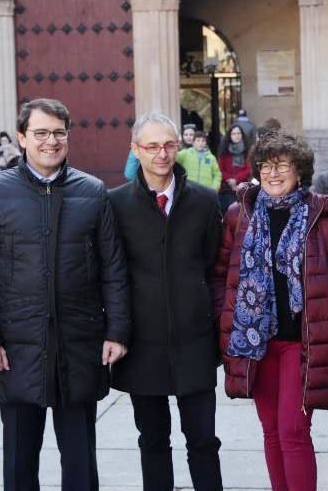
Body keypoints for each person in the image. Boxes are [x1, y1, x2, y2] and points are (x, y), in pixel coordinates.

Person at [0, 98, 130, 491]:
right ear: (22, 138)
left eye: (58, 133)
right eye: (40, 133)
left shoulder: (93, 191)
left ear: (68, 137)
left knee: (80, 460)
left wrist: (117, 331)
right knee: (19, 461)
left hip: (79, 344)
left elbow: (114, 269)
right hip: (15, 350)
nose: (50, 141)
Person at [213, 132, 328, 491]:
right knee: (271, 431)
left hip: (302, 342)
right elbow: (223, 275)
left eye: (282, 165)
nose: (273, 173)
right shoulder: (240, 215)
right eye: (266, 165)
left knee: (294, 430)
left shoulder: (324, 216)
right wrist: (225, 322)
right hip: (257, 343)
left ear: (299, 170)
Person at [108, 113, 223, 491]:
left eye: (169, 144)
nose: (162, 153)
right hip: (144, 344)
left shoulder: (205, 203)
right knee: (153, 441)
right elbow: (113, 273)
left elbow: (212, 266)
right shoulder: (115, 205)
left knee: (203, 441)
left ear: (179, 146)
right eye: (152, 146)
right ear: (135, 150)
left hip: (194, 342)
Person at [217, 124, 252, 212]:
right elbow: (220, 170)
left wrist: (236, 180)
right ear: (230, 136)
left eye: (238, 133)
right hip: (226, 189)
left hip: (243, 188)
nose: (236, 136)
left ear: (242, 135)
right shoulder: (224, 152)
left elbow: (249, 169)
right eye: (233, 134)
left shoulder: (247, 151)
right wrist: (230, 181)